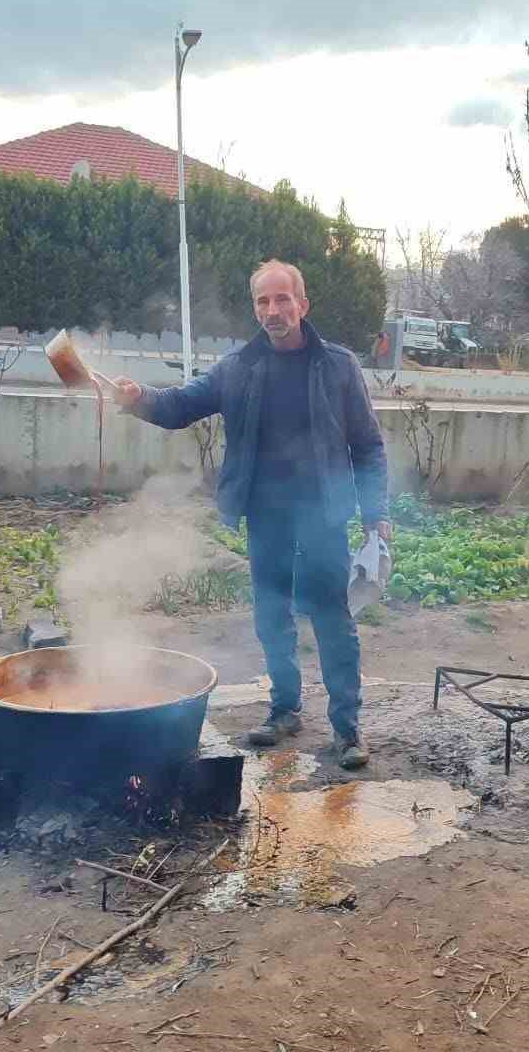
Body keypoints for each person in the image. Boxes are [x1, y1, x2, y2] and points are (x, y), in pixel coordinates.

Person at [111, 260, 389, 770]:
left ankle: (347, 730)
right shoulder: (239, 368)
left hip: (322, 515)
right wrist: (139, 399)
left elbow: (368, 445)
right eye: (263, 301)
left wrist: (376, 514)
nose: (273, 310)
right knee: (271, 616)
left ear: (303, 305)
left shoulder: (338, 366)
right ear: (255, 308)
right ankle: (285, 710)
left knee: (332, 619)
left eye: (283, 299)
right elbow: (181, 404)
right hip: (266, 516)